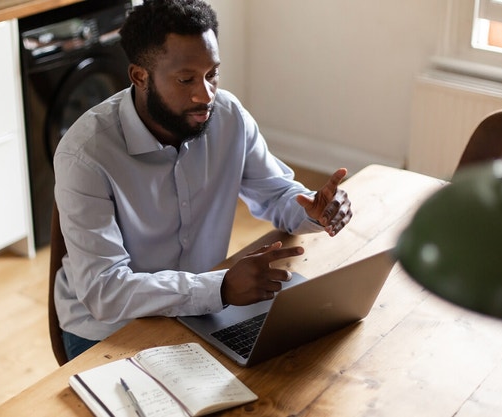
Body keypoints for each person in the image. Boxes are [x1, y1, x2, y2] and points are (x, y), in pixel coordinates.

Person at [53, 0, 353, 360]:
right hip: (109, 328)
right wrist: (220, 288)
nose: (205, 94)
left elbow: (275, 194)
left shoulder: (229, 117)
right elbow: (105, 291)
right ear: (139, 76)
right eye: (186, 79)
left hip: (204, 307)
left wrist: (313, 210)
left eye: (212, 74)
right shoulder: (86, 154)